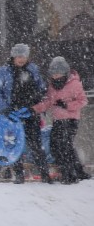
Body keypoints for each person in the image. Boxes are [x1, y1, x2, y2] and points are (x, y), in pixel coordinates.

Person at [0, 43, 50, 184]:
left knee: (35, 144)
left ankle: (44, 174)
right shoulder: (4, 71)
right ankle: (19, 175)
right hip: (11, 115)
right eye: (18, 56)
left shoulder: (33, 69)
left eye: (23, 56)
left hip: (30, 113)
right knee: (13, 144)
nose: (21, 59)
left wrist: (33, 106)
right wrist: (5, 108)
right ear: (13, 56)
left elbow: (41, 88)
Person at [33, 56, 89, 184]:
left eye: (58, 73)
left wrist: (67, 106)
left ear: (65, 73)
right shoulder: (52, 86)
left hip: (70, 120)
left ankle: (69, 174)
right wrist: (35, 109)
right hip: (58, 120)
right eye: (53, 74)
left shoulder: (74, 84)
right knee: (56, 146)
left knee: (64, 146)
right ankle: (77, 171)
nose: (55, 76)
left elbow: (83, 101)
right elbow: (48, 102)